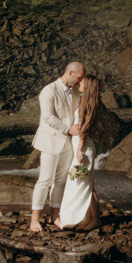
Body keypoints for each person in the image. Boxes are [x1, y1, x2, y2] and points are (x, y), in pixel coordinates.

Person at [29, 61, 84, 233]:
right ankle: (34, 220)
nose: (79, 82)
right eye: (78, 78)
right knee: (45, 180)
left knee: (60, 181)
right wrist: (68, 129)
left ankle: (55, 216)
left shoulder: (75, 93)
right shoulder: (49, 90)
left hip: (67, 142)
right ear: (70, 73)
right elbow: (47, 117)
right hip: (51, 140)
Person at [56, 74, 102, 230]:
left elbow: (84, 129)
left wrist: (79, 150)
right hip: (81, 145)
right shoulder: (89, 102)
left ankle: (93, 219)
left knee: (81, 182)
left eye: (82, 82)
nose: (79, 83)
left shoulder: (87, 104)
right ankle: (90, 218)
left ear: (88, 85)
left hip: (83, 147)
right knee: (87, 184)